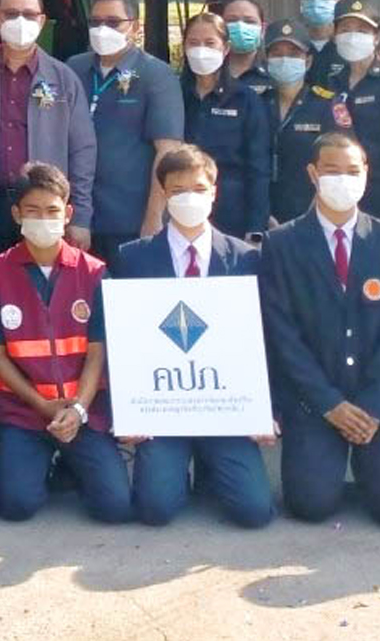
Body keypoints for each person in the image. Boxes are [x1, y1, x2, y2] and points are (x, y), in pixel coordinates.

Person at [259, 132, 380, 527]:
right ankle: (334, 465)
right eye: (332, 170)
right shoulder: (282, 244)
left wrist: (374, 406)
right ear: (312, 174)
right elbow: (283, 335)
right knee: (310, 505)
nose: (343, 179)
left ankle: (372, 466)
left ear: (367, 175)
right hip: (316, 400)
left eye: (353, 171)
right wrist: (329, 403)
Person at [106, 147, 275, 528]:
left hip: (227, 408)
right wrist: (129, 412)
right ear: (164, 195)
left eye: (199, 188)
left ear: (215, 191)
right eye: (178, 190)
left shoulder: (246, 258)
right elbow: (124, 344)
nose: (189, 198)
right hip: (163, 410)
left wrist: (265, 411)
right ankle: (177, 470)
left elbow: (261, 339)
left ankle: (213, 470)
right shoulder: (133, 258)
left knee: (255, 513)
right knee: (155, 509)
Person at [0, 161, 130, 523]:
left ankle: (71, 467)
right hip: (25, 413)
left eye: (52, 211)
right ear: (16, 215)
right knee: (16, 506)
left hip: (83, 412)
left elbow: (97, 352)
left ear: (68, 213)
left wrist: (77, 409)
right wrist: (40, 404)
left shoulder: (93, 272)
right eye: (32, 211)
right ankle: (42, 463)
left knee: (115, 508)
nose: (43, 219)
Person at [0, 0, 96, 258]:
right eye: (11, 14)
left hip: (44, 207)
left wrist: (81, 215)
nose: (20, 21)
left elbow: (82, 150)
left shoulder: (63, 78)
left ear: (41, 21)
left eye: (29, 15)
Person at [62, 0, 183, 259]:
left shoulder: (156, 74)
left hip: (129, 219)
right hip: (75, 215)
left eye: (114, 22)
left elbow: (168, 151)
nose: (103, 29)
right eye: (96, 22)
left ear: (135, 26)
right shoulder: (74, 68)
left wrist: (153, 218)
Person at [308, 0, 380, 220]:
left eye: (362, 30)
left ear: (377, 37)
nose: (353, 36)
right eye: (346, 29)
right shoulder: (330, 83)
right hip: (336, 199)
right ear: (335, 35)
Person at [176, 10, 272, 239]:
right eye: (194, 43)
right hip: (180, 207)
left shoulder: (246, 99)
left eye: (210, 43)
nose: (201, 50)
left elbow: (258, 168)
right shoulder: (172, 94)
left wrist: (256, 226)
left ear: (225, 48)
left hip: (230, 214)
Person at [262, 20, 335, 224]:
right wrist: (262, 213)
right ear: (266, 59)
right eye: (277, 53)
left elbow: (338, 163)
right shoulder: (257, 103)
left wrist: (313, 214)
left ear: (308, 61)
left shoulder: (326, 105)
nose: (285, 59)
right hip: (263, 214)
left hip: (313, 213)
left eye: (294, 54)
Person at [217, 0, 271, 95]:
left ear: (263, 29)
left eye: (249, 21)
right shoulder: (209, 71)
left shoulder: (275, 73)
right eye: (232, 20)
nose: (240, 27)